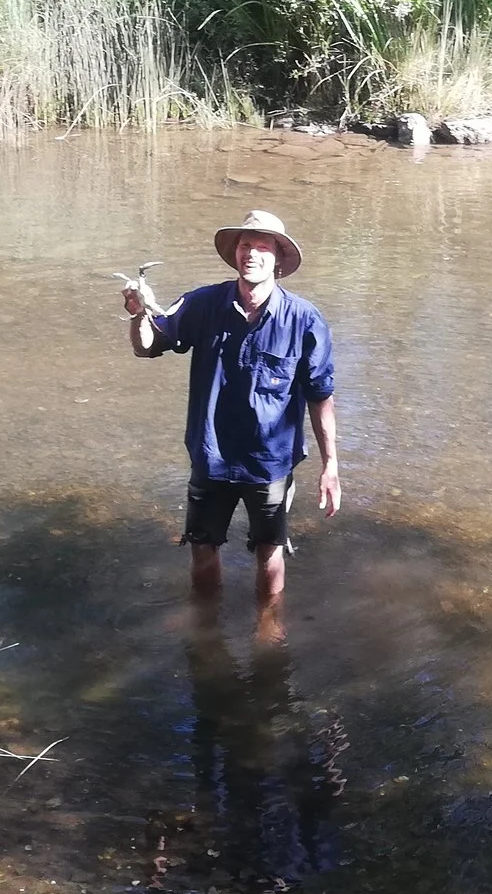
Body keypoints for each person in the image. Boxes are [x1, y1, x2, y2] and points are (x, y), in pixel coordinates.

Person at [124, 208, 340, 616]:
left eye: (262, 247)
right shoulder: (203, 303)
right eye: (245, 245)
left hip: (270, 463)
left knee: (269, 551)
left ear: (278, 258)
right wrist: (139, 315)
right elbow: (148, 345)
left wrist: (331, 466)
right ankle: (206, 624)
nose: (252, 254)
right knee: (202, 548)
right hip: (211, 456)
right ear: (235, 254)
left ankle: (268, 626)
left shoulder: (304, 319)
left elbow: (321, 395)